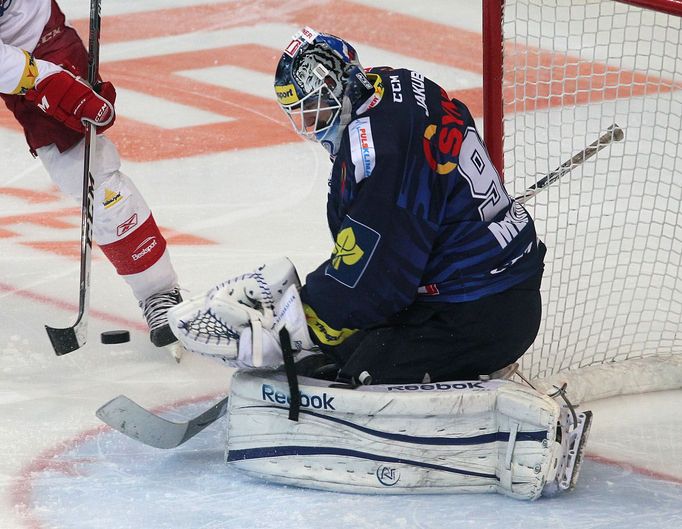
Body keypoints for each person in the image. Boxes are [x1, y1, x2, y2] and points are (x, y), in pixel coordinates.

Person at [169, 26, 546, 385]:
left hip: (480, 311)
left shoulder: (382, 152)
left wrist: (303, 321)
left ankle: (465, 382)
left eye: (315, 109)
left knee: (356, 375)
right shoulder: (390, 83)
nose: (313, 125)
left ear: (338, 88)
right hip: (477, 287)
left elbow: (380, 281)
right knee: (343, 347)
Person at [0, 0, 182, 349]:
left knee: (86, 174)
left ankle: (157, 291)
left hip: (34, 32)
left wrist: (51, 76)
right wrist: (46, 81)